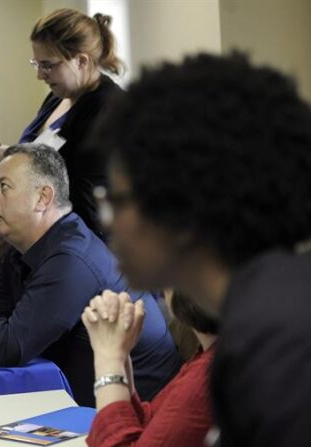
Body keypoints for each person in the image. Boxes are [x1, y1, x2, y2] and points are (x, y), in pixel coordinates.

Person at [88, 52, 311, 446]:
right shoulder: (265, 317)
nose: (108, 221)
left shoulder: (278, 353)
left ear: (182, 216)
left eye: (117, 200)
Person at [0, 143, 179, 406]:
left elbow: (9, 348)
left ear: (42, 198)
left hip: (137, 415)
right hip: (83, 396)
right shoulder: (24, 247)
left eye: (3, 187)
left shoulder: (70, 258)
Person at [0, 9, 123, 239]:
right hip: (43, 240)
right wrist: (0, 154)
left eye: (48, 65)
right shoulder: (58, 97)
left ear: (81, 61)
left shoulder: (108, 109)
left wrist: (9, 157)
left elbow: (78, 187)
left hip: (81, 242)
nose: (40, 75)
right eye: (36, 64)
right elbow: (39, 154)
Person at [83, 290, 217, 446]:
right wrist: (118, 351)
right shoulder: (211, 357)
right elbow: (152, 426)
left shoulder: (206, 378)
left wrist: (108, 357)